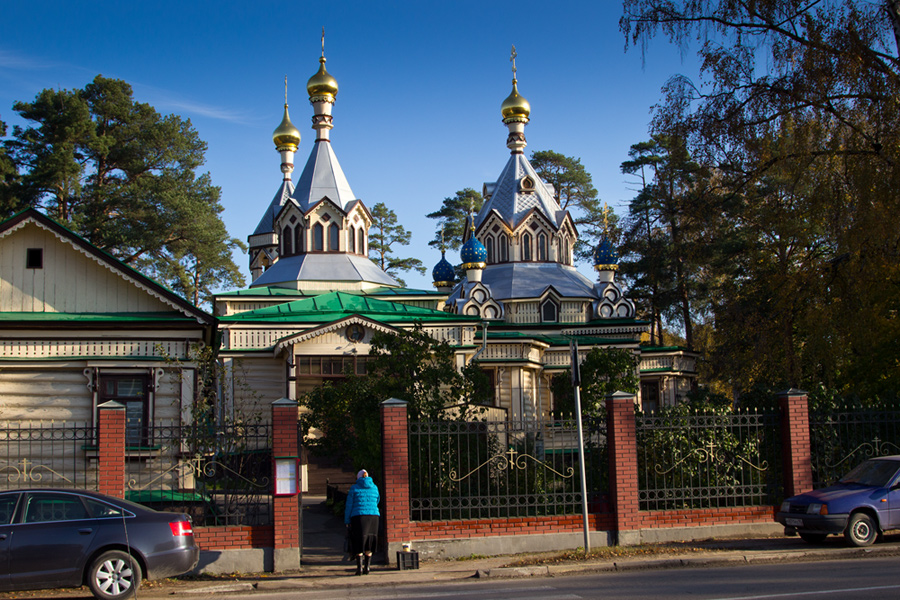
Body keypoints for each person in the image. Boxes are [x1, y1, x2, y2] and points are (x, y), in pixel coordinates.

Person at [344, 469, 380, 575]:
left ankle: (359, 568)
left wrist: (347, 520)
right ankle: (367, 567)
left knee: (358, 540)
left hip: (358, 516)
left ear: (358, 477)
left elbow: (349, 505)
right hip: (374, 516)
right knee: (370, 540)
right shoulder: (375, 487)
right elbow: (377, 500)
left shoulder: (354, 488)